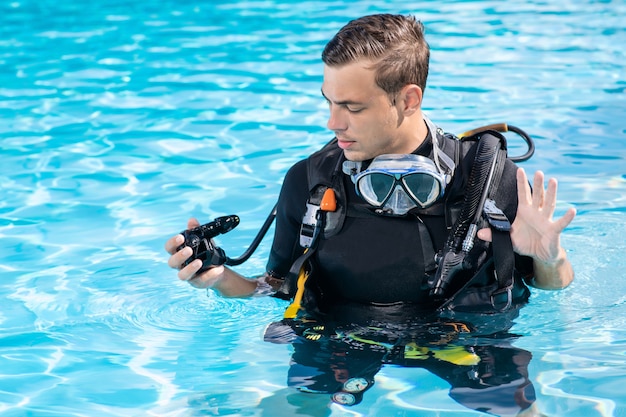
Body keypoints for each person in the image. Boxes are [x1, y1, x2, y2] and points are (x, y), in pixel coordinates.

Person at [165, 14, 575, 416]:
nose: (333, 122)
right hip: (340, 336)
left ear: (408, 99)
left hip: (468, 337)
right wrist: (219, 279)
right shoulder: (310, 182)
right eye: (328, 101)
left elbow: (552, 286)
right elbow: (274, 288)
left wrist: (548, 257)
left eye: (352, 107)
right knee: (297, 409)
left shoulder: (488, 181)